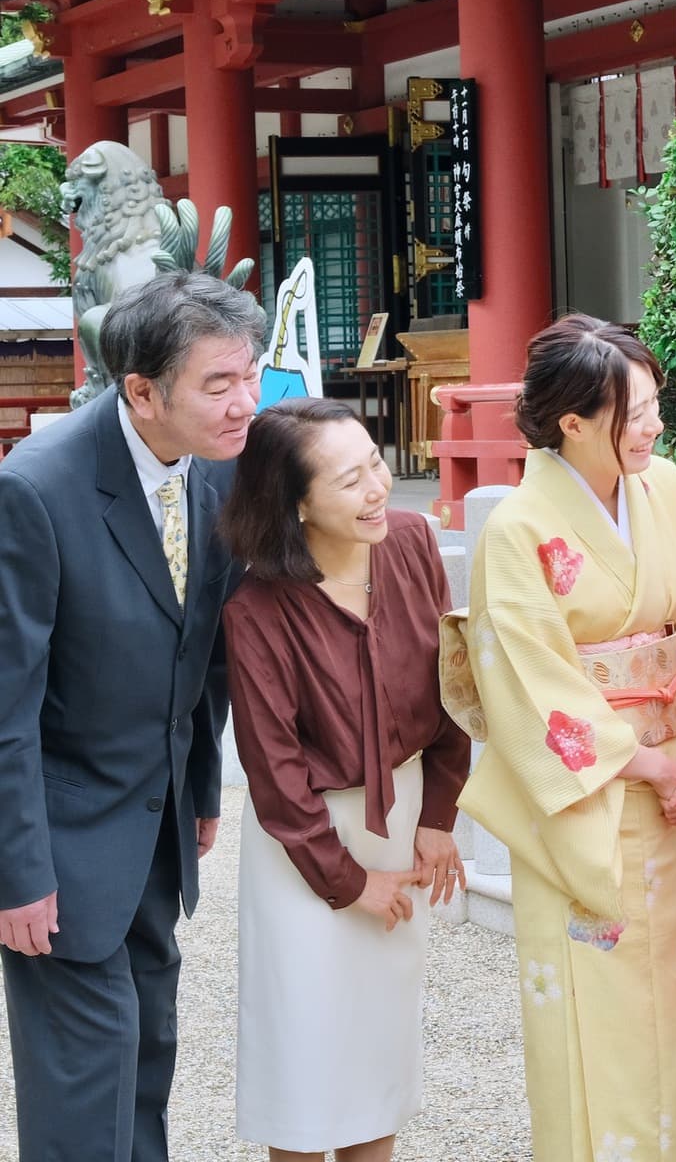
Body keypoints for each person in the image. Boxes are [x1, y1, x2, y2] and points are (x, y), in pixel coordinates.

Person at [0, 270, 266, 1162]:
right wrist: (15, 871)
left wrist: (202, 789)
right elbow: (6, 703)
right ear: (141, 390)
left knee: (147, 1059)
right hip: (62, 838)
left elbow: (201, 651)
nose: (245, 403)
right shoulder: (37, 489)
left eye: (251, 375)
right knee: (86, 1082)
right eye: (219, 384)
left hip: (154, 825)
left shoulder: (215, 474)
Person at [445, 314, 676, 1161]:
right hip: (588, 806)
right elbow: (524, 676)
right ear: (572, 421)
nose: (656, 427)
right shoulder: (520, 528)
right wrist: (641, 761)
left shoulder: (665, 490)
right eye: (635, 412)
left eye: (654, 406)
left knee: (675, 1004)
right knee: (589, 1009)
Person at [219, 397, 470, 1162]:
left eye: (374, 464)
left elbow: (454, 683)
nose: (376, 490)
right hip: (305, 846)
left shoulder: (412, 542)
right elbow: (275, 775)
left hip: (401, 818)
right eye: (348, 479)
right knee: (304, 1055)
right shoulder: (258, 608)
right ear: (296, 504)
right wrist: (350, 881)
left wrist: (439, 817)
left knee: (377, 1046)